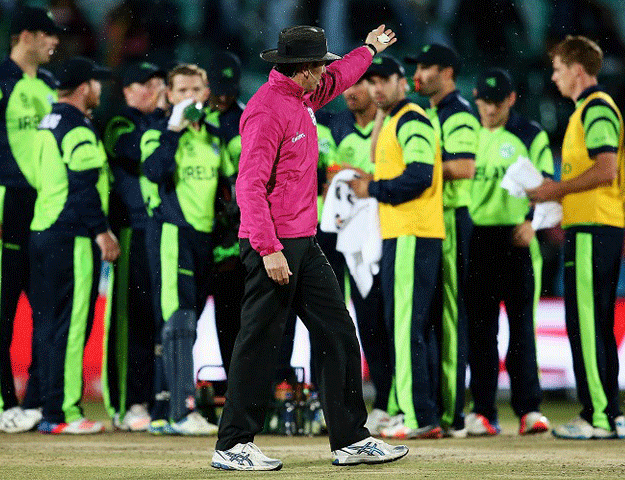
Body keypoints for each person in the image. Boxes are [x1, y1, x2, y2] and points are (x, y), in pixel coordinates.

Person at [213, 25, 409, 471]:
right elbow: (249, 186)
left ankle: (350, 440)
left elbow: (341, 76)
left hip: (303, 239)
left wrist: (370, 49)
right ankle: (232, 445)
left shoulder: (302, 96)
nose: (325, 70)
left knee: (338, 332)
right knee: (259, 342)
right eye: (319, 63)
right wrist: (267, 248)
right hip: (275, 244)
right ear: (303, 70)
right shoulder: (267, 111)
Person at [527, 35, 625, 440]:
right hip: (597, 226)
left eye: (558, 69)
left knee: (586, 322)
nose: (554, 77)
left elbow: (607, 169)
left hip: (593, 228)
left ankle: (597, 417)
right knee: (596, 323)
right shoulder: (591, 110)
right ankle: (609, 413)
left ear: (577, 70)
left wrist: (556, 190)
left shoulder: (595, 109)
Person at [350, 55, 445, 440]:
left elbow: (420, 176)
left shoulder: (410, 120)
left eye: (383, 80)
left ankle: (416, 414)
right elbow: (380, 158)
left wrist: (371, 188)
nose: (375, 88)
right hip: (404, 232)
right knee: (408, 326)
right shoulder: (393, 120)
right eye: (371, 82)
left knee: (405, 328)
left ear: (401, 82)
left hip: (411, 231)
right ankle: (420, 410)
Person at [30, 56, 119, 434]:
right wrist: (102, 232)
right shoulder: (78, 128)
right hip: (71, 237)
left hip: (42, 229)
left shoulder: (46, 123)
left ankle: (50, 408)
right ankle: (63, 411)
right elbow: (83, 187)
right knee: (70, 326)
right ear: (84, 87)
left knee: (50, 325)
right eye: (96, 83)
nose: (99, 89)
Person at [142, 63, 232, 436]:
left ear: (206, 93)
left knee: (189, 318)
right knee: (179, 318)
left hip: (205, 237)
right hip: (172, 233)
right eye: (182, 91)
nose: (190, 97)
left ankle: (166, 409)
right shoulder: (157, 133)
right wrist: (174, 130)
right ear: (169, 95)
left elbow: (227, 189)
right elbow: (153, 172)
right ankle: (181, 410)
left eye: (196, 90)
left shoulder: (214, 136)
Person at [466, 68, 552, 436]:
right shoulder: (466, 135)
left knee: (521, 329)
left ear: (512, 99)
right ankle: (484, 412)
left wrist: (534, 221)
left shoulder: (530, 133)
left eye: (496, 101)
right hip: (477, 239)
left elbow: (548, 184)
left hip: (517, 240)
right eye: (484, 101)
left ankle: (529, 410)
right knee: (480, 331)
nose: (489, 109)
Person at [406, 44, 480, 438]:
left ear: (446, 71)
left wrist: (413, 168)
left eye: (425, 66)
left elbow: (465, 167)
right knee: (434, 319)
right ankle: (439, 407)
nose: (418, 73)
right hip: (435, 217)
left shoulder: (459, 113)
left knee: (450, 317)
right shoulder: (435, 112)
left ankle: (453, 414)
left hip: (452, 217)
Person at [0, 5, 62, 434]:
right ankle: (5, 402)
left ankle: (36, 401)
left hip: (45, 212)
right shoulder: (1, 82)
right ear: (25, 35)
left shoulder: (54, 86)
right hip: (8, 208)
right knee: (3, 312)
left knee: (47, 309)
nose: (55, 41)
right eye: (47, 34)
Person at [320, 74, 393, 435]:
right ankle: (330, 405)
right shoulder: (335, 124)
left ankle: (385, 402)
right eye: (349, 85)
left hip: (375, 230)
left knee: (374, 319)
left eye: (360, 85)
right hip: (335, 230)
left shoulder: (390, 125)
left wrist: (364, 178)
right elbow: (330, 173)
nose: (350, 91)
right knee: (329, 320)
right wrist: (369, 178)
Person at [101, 61, 167, 432]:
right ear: (127, 90)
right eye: (146, 83)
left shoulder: (159, 123)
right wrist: (163, 118)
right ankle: (128, 402)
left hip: (160, 229)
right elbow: (136, 153)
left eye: (158, 82)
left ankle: (159, 398)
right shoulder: (118, 123)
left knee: (159, 318)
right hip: (131, 232)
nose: (154, 88)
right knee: (131, 320)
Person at [204, 51, 245, 386]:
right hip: (202, 229)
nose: (223, 96)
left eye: (228, 89)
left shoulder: (246, 119)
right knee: (221, 312)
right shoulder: (197, 118)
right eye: (218, 89)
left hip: (234, 231)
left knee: (233, 309)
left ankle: (240, 385)